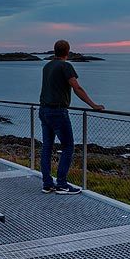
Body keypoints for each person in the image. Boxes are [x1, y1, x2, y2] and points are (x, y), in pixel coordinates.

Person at [38, 39, 104, 194]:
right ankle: (61, 184)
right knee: (68, 146)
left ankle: (47, 184)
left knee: (47, 147)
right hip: (58, 112)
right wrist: (93, 105)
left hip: (44, 110)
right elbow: (77, 88)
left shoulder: (47, 66)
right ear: (67, 52)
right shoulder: (66, 66)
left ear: (55, 51)